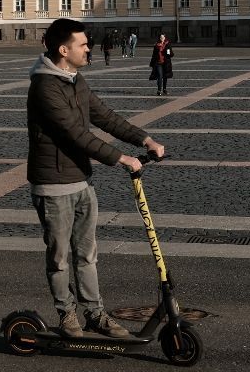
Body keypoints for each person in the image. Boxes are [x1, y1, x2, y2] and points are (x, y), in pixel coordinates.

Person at [27, 18, 165, 339]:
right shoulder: (45, 87)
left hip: (81, 182)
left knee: (87, 254)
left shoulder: (76, 80)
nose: (89, 48)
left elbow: (105, 116)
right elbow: (75, 135)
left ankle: (95, 313)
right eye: (83, 44)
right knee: (60, 257)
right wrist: (121, 158)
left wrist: (144, 140)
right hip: (53, 186)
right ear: (64, 50)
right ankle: (67, 315)